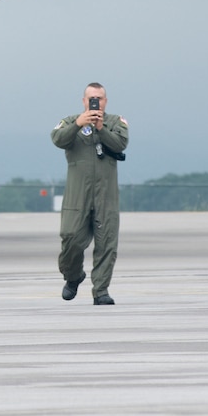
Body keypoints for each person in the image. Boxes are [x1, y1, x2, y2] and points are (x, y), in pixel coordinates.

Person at [51, 82, 129, 306]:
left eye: (100, 98)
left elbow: (121, 143)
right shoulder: (70, 121)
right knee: (70, 237)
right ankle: (73, 276)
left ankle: (101, 291)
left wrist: (101, 128)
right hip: (78, 194)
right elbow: (57, 139)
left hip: (106, 195)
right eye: (92, 98)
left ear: (106, 101)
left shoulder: (115, 123)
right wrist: (78, 124)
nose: (96, 102)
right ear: (84, 101)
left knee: (107, 244)